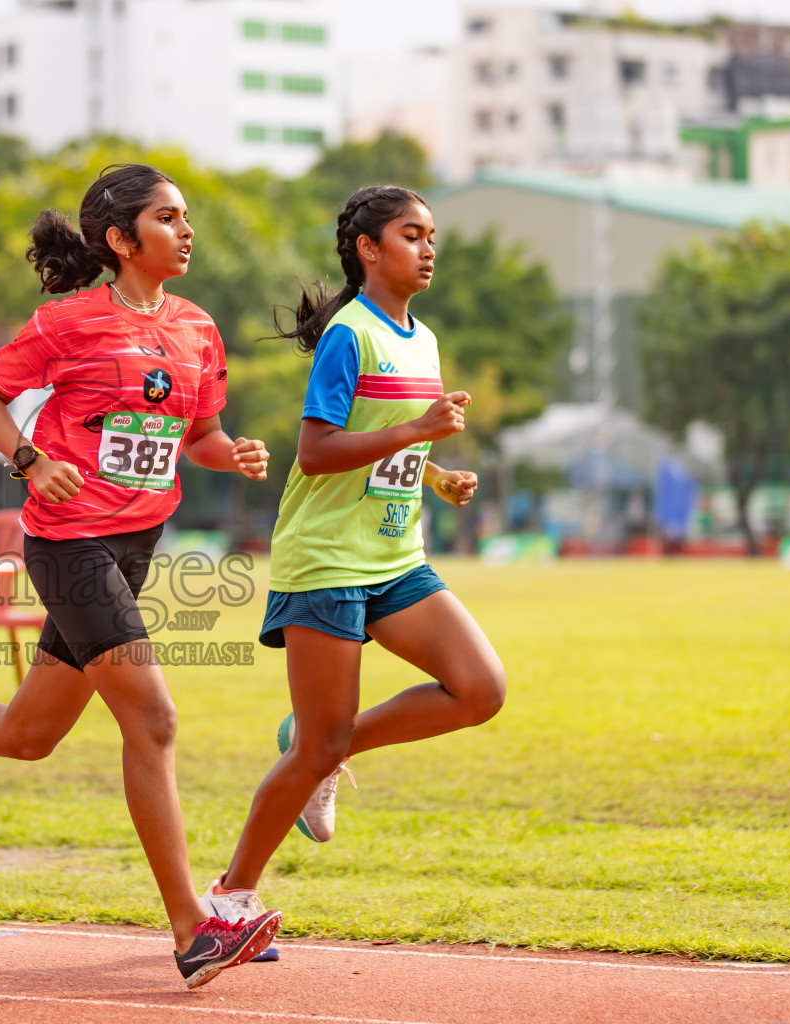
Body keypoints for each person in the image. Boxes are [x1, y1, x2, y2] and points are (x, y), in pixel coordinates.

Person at [0, 163, 281, 989]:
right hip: (69, 543)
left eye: (186, 218)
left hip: (137, 544)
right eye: (170, 218)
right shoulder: (65, 323)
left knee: (27, 736)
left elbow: (200, 435)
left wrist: (232, 455)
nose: (187, 231)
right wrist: (30, 461)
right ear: (120, 239)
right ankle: (193, 929)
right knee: (154, 718)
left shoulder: (198, 328)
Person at [200, 185, 506, 924]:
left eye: (431, 236)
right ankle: (229, 896)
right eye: (411, 235)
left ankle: (321, 748)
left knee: (479, 689)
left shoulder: (422, 339)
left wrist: (437, 473)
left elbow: (388, 436)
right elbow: (317, 451)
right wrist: (416, 434)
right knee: (321, 742)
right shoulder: (350, 334)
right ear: (370, 250)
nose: (428, 249)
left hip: (396, 555)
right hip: (327, 562)